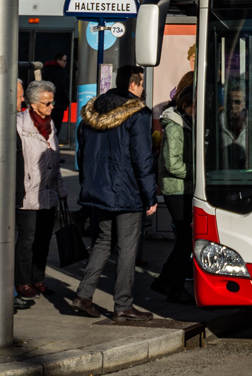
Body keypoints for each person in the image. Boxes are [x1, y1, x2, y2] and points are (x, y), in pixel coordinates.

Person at [72, 64, 156, 321]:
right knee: (128, 248)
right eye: (141, 84)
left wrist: (88, 184)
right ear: (132, 85)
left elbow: (81, 152)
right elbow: (142, 158)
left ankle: (83, 296)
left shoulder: (93, 110)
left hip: (99, 191)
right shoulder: (137, 115)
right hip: (126, 191)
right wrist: (150, 196)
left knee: (101, 242)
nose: (142, 89)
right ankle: (123, 306)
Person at [15, 79, 65, 299]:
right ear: (33, 104)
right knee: (27, 239)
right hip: (28, 192)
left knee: (44, 239)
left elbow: (55, 162)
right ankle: (22, 281)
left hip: (48, 192)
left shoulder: (51, 125)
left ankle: (38, 279)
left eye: (52, 103)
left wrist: (61, 190)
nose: (51, 107)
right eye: (46, 103)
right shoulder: (19, 124)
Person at [151, 86, 195, 303]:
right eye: (195, 106)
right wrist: (198, 174)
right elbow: (172, 164)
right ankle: (173, 287)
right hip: (176, 188)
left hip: (182, 187)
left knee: (185, 241)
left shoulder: (186, 122)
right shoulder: (176, 125)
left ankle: (165, 281)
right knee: (185, 241)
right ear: (186, 104)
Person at [41, 53, 70, 137]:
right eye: (64, 61)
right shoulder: (59, 73)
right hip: (58, 105)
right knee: (55, 128)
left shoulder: (46, 70)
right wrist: (66, 101)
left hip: (46, 103)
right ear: (58, 60)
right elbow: (60, 89)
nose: (65, 63)